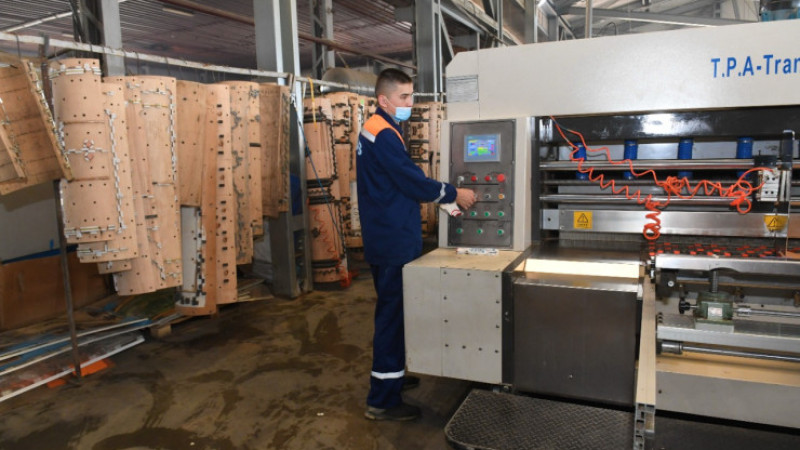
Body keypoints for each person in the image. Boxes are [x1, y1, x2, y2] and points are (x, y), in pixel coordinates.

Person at [357, 69, 476, 421]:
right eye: (404, 97)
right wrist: (452, 193)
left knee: (395, 311)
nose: (410, 103)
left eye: (411, 96)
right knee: (392, 317)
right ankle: (382, 399)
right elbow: (410, 181)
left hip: (383, 233)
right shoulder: (384, 134)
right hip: (392, 239)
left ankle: (391, 376)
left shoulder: (376, 127)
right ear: (384, 100)